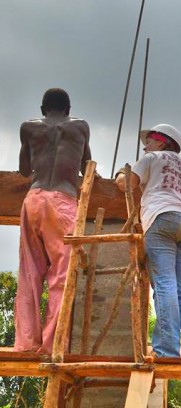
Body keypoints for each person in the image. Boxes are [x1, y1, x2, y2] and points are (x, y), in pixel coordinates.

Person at [115, 123, 181, 359]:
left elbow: (125, 184)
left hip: (162, 219)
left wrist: (122, 173)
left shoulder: (152, 158)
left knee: (165, 286)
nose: (145, 146)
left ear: (161, 141)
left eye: (148, 140)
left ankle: (167, 350)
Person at [15, 88, 92, 355]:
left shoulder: (28, 127)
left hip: (34, 199)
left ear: (42, 109)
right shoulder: (81, 127)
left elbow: (25, 169)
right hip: (63, 201)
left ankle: (26, 343)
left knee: (30, 272)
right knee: (62, 275)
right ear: (68, 109)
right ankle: (52, 345)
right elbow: (87, 166)